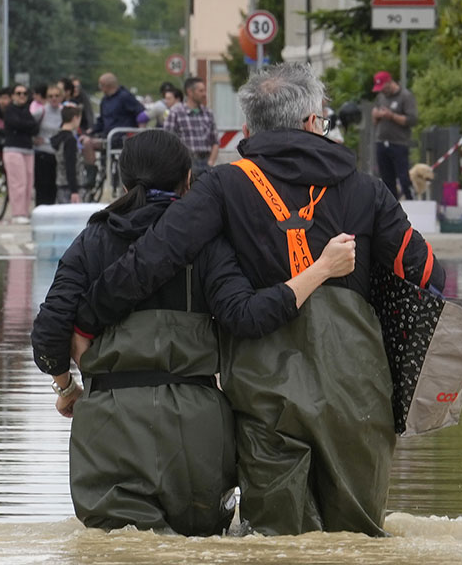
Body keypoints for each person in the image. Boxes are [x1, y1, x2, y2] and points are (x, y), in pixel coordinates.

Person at [74, 63, 444, 537]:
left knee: (276, 541)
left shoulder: (224, 185)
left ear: (249, 128)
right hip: (357, 388)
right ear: (313, 123)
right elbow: (428, 273)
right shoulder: (366, 189)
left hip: (265, 388)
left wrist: (86, 320)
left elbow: (151, 259)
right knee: (357, 540)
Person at [32, 129, 356, 536]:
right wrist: (322, 268)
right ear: (188, 179)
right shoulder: (208, 245)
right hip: (197, 431)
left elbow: (48, 333)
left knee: (119, 550)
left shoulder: (91, 241)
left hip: (108, 422)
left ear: (123, 178)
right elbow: (247, 316)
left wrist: (66, 387)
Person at [80, 73, 149, 170]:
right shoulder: (104, 100)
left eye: (100, 85)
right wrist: (90, 131)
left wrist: (139, 133)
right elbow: (101, 121)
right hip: (107, 137)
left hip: (122, 138)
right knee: (87, 143)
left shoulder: (125, 97)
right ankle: (91, 175)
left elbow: (141, 113)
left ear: (106, 86)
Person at [372, 70, 418, 200]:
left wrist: (391, 116)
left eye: (383, 88)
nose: (382, 91)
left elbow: (412, 120)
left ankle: (411, 202)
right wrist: (376, 115)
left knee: (404, 178)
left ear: (389, 82)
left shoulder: (405, 96)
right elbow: (374, 119)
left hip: (398, 143)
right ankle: (391, 207)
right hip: (381, 142)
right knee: (386, 180)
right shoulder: (381, 97)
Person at [164, 77, 219, 180]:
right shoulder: (176, 112)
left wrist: (211, 162)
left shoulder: (208, 113)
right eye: (201, 91)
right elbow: (168, 141)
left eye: (204, 90)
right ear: (190, 92)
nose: (204, 94)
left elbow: (215, 141)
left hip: (206, 163)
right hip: (186, 163)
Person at [2, 83, 39, 225]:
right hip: (13, 149)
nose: (22, 96)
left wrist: (26, 125)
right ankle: (17, 213)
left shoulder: (27, 110)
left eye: (24, 93)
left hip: (28, 149)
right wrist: (27, 125)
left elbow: (34, 128)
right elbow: (15, 124)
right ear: (12, 96)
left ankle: (25, 211)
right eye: (18, 93)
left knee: (29, 182)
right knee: (18, 182)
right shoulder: (10, 110)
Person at [33, 82, 63, 206]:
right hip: (42, 153)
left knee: (55, 186)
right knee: (42, 186)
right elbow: (28, 126)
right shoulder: (41, 112)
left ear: (61, 97)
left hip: (58, 154)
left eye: (56, 95)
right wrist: (32, 139)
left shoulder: (64, 112)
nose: (54, 98)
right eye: (50, 96)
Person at [50, 106, 82, 204]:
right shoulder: (70, 140)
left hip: (60, 181)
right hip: (70, 185)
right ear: (75, 118)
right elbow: (70, 165)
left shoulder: (58, 137)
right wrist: (74, 190)